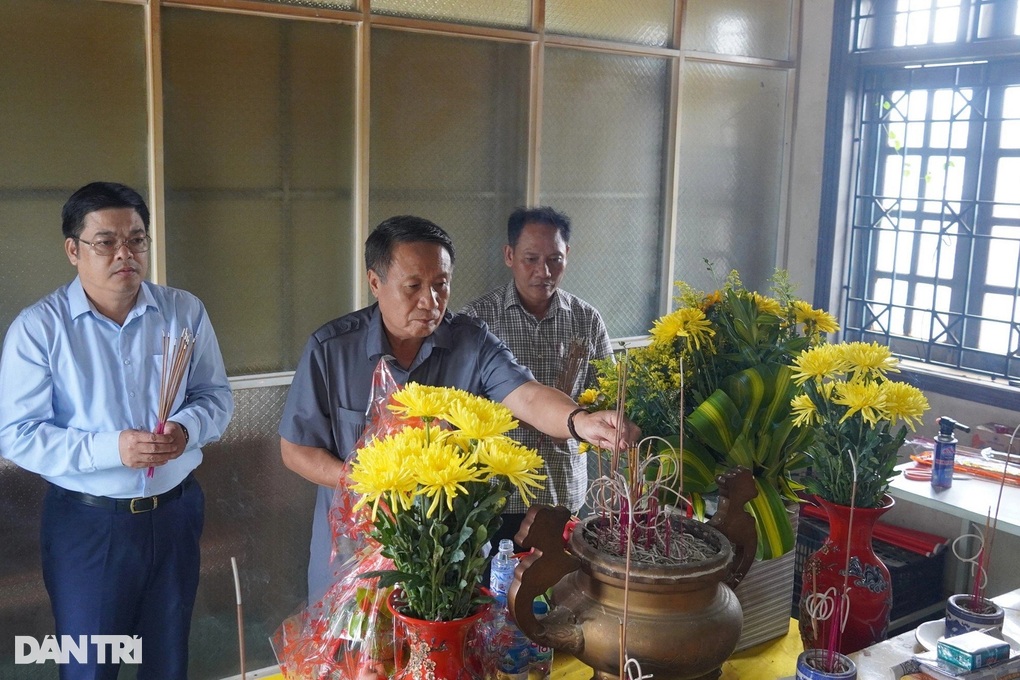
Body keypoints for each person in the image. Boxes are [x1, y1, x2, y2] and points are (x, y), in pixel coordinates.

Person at [279, 215, 638, 602]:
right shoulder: (331, 350)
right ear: (375, 282)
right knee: (351, 642)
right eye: (413, 287)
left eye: (441, 285)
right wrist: (374, 485)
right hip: (353, 552)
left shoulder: (471, 342)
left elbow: (527, 396)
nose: (430, 302)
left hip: (446, 563)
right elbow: (296, 450)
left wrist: (580, 422)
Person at [0, 182, 234, 680]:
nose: (125, 253)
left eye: (136, 239)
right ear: (73, 250)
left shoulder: (183, 311)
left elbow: (215, 396)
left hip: (174, 514)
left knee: (166, 660)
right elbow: (17, 434)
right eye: (106, 241)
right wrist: (113, 449)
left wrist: (186, 430)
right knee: (91, 664)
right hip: (89, 524)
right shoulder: (40, 329)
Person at [461, 206, 613, 547]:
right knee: (497, 577)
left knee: (562, 577)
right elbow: (460, 407)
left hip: (563, 490)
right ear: (509, 255)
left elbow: (607, 394)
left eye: (555, 260)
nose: (543, 272)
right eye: (531, 259)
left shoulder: (586, 319)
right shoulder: (477, 320)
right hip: (495, 494)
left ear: (567, 254)